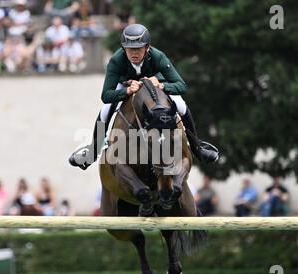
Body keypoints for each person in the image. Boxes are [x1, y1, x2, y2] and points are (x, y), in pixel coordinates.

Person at [68, 23, 219, 170]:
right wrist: (126, 91)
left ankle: (197, 147)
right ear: (124, 48)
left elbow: (181, 85)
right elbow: (106, 96)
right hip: (126, 85)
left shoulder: (158, 56)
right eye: (129, 49)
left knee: (180, 104)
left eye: (138, 49)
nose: (134, 53)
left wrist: (163, 85)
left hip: (156, 85)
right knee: (105, 110)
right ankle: (93, 151)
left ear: (147, 48)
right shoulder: (116, 60)